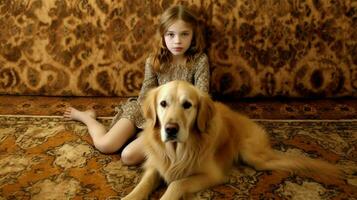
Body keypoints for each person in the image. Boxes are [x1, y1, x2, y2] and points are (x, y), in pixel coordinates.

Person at [63, 5, 210, 166]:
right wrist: (151, 119)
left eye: (184, 34)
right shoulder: (154, 60)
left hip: (173, 120)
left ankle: (139, 139)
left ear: (193, 35)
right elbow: (145, 95)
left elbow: (202, 97)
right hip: (144, 111)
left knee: (128, 156)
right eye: (170, 34)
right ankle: (86, 117)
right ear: (162, 36)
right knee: (106, 145)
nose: (177, 41)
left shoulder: (199, 61)